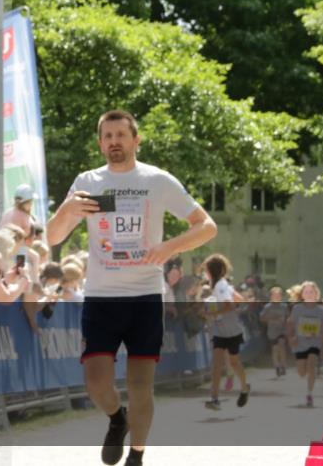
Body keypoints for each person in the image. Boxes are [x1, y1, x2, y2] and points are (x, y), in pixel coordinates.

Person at [45, 110, 217, 466]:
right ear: (100, 143)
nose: (114, 143)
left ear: (136, 140)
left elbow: (207, 226)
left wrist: (170, 247)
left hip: (144, 296)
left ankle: (137, 455)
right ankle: (116, 418)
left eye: (121, 135)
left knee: (141, 385)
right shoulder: (88, 182)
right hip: (102, 296)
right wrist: (65, 209)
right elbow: (52, 237)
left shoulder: (157, 181)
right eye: (107, 137)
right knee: (95, 382)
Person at [202, 254, 250, 410]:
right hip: (219, 332)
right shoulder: (220, 285)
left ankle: (244, 387)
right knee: (216, 364)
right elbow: (240, 300)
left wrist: (212, 313)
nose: (205, 272)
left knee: (234, 363)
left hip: (232, 331)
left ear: (211, 271)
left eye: (206, 269)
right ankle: (214, 398)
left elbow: (229, 305)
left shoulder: (221, 285)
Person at [287, 280, 323, 408]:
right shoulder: (297, 309)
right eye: (306, 292)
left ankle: (309, 393)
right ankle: (306, 383)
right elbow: (290, 325)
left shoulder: (322, 310)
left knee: (311, 365)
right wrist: (291, 338)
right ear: (302, 295)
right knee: (301, 372)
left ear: (316, 294)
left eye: (312, 292)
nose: (309, 294)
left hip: (314, 343)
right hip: (300, 343)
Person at [260, 286, 289, 376]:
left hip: (282, 330)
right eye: (274, 295)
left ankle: (283, 365)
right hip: (272, 331)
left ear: (281, 296)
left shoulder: (284, 306)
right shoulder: (267, 307)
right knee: (275, 349)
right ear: (271, 296)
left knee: (282, 346)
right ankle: (277, 366)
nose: (276, 297)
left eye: (278, 295)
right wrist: (273, 318)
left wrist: (287, 325)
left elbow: (288, 317)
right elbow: (262, 318)